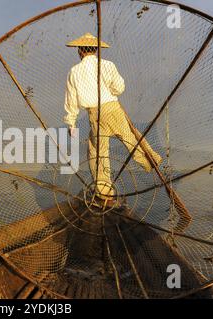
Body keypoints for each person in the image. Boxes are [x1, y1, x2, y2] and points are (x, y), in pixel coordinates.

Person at [64, 33, 162, 207]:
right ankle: (150, 160)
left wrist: (70, 123)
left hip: (94, 114)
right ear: (95, 50)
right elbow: (119, 87)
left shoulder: (74, 71)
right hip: (112, 108)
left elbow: (71, 100)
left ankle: (103, 191)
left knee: (97, 152)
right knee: (130, 138)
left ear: (80, 51)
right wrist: (110, 90)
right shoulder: (108, 65)